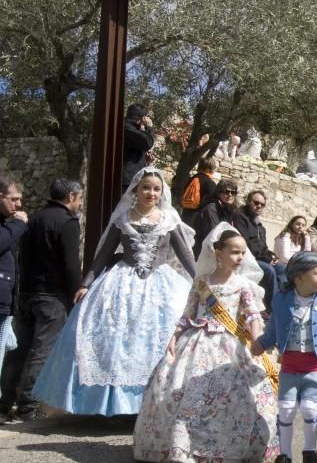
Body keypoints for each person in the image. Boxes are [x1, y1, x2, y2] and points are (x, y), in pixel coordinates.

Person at [33, 168, 196, 416]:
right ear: (136, 190)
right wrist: (86, 283)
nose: (150, 192)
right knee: (113, 340)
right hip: (122, 283)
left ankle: (155, 404)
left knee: (161, 340)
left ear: (162, 192)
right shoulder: (123, 218)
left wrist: (202, 283)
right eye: (145, 187)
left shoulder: (168, 220)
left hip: (162, 284)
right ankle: (113, 406)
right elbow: (103, 255)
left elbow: (185, 255)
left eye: (155, 188)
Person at [133, 225, 279, 463]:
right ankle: (178, 445)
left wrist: (257, 341)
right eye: (234, 252)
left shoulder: (242, 285)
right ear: (217, 252)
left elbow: (253, 316)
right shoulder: (201, 283)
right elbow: (187, 313)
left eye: (242, 253)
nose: (240, 257)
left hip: (229, 346)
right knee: (183, 390)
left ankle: (222, 449)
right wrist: (175, 335)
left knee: (228, 395)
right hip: (196, 342)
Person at [252, 252, 317, 463]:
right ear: (299, 277)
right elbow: (273, 330)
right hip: (289, 368)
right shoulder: (281, 300)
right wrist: (261, 344)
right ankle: (285, 456)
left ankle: (310, 453)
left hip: (315, 368)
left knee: (311, 410)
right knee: (286, 410)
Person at [0, 179, 82, 422]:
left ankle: (5, 402)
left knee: (19, 350)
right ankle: (28, 405)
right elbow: (70, 263)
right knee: (42, 350)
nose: (80, 203)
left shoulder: (31, 219)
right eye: (80, 198)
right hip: (51, 295)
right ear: (70, 196)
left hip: (25, 292)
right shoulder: (67, 222)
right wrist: (76, 291)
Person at [0, 177, 27, 421]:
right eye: (13, 199)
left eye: (20, 199)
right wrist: (19, 226)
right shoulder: (11, 226)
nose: (18, 205)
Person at [232, 191, 280, 310]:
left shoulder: (259, 224)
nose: (259, 206)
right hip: (246, 258)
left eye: (262, 204)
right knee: (269, 271)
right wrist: (267, 258)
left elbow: (263, 247)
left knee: (284, 269)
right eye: (256, 203)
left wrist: (272, 256)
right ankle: (273, 309)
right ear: (248, 201)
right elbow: (246, 243)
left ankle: (281, 303)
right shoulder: (240, 216)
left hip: (261, 257)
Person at [192, 178, 239, 255]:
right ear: (218, 193)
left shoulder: (228, 209)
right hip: (205, 252)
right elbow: (214, 234)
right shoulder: (211, 208)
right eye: (226, 192)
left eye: (233, 192)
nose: (230, 195)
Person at [122, 103, 154, 192]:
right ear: (143, 118)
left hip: (130, 180)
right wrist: (149, 128)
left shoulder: (130, 127)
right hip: (127, 181)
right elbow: (147, 143)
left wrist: (145, 160)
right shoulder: (127, 128)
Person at [180, 157, 218, 225]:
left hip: (185, 214)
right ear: (211, 169)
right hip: (199, 218)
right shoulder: (210, 183)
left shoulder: (190, 179)